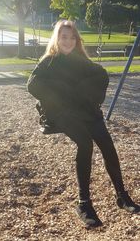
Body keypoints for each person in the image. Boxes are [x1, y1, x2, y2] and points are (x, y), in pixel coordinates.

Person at [27, 20, 140, 228]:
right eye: (63, 37)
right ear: (56, 39)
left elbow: (100, 75)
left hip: (86, 110)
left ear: (76, 40)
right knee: (85, 144)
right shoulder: (49, 61)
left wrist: (87, 94)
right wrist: (61, 93)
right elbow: (33, 84)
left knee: (108, 146)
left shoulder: (81, 60)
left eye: (72, 37)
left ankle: (122, 196)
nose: (68, 41)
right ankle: (84, 204)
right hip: (62, 114)